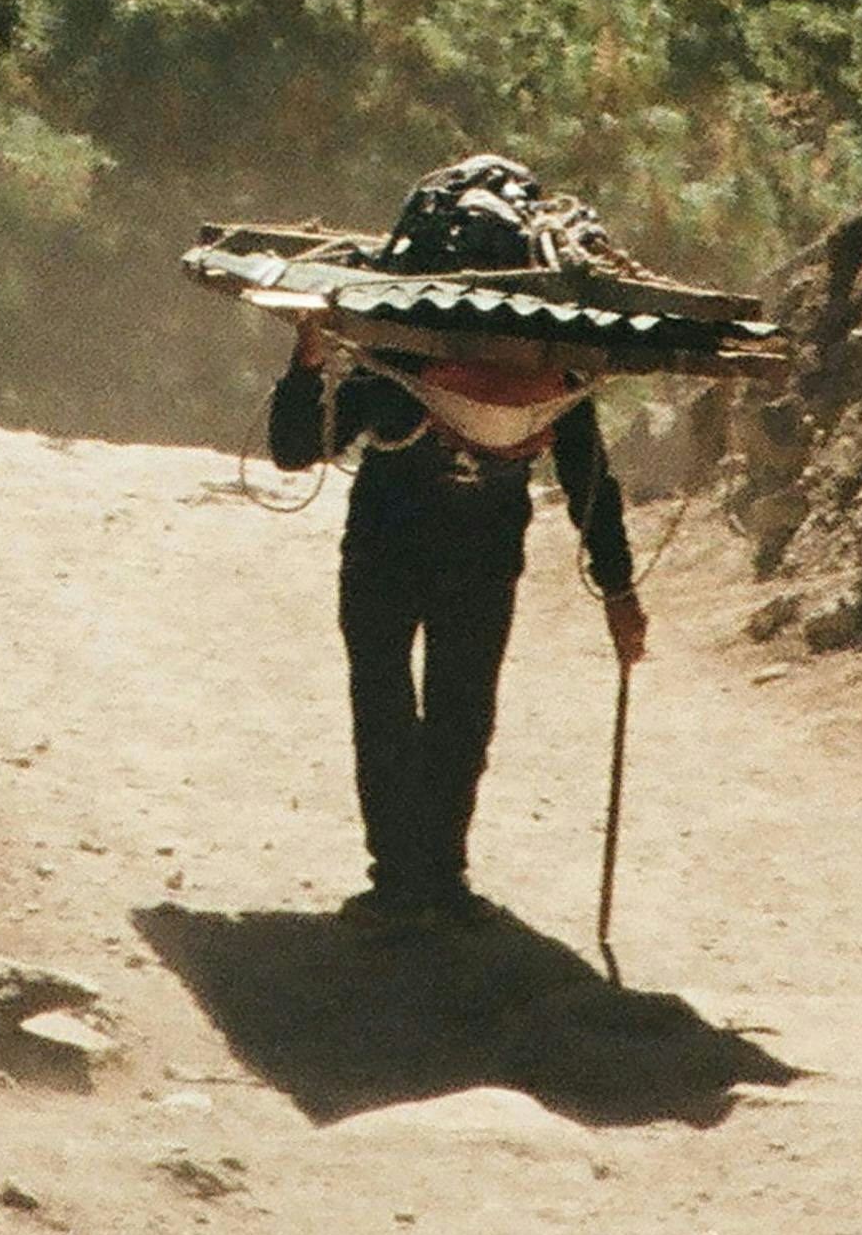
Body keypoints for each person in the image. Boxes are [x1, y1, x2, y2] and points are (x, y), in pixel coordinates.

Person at [267, 158, 647, 931]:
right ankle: (418, 877)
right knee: (434, 707)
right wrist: (308, 362)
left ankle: (423, 877)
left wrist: (619, 586)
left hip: (420, 546)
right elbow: (296, 446)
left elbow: (587, 475)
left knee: (430, 708)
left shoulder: (444, 353)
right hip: (422, 546)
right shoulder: (460, 356)